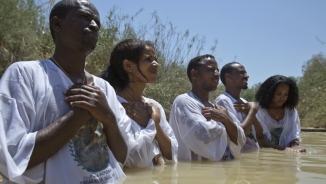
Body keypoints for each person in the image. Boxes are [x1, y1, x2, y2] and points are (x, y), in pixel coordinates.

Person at [0, 0, 130, 183]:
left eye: (97, 23)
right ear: (57, 24)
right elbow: (11, 158)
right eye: (84, 17)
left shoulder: (104, 88)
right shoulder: (25, 75)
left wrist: (108, 117)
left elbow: (121, 157)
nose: (93, 25)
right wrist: (80, 114)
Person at [100, 39, 178, 168]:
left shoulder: (153, 107)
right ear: (128, 66)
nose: (156, 64)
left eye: (155, 59)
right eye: (148, 59)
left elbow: (171, 157)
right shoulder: (115, 105)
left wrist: (153, 122)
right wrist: (153, 122)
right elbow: (134, 160)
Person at [169, 54, 246, 161]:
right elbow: (202, 136)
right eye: (211, 70)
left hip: (218, 173)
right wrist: (226, 122)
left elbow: (241, 138)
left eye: (217, 70)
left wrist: (225, 119)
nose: (217, 74)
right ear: (194, 74)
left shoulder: (216, 108)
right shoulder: (184, 101)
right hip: (193, 174)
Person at [215, 62, 265, 150]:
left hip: (252, 158)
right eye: (241, 73)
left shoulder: (244, 102)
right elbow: (238, 136)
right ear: (228, 77)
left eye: (245, 73)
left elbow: (260, 135)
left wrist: (251, 112)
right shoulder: (223, 101)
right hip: (238, 159)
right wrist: (252, 110)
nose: (246, 76)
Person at [255, 75, 306, 152]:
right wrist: (284, 149)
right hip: (265, 155)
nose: (283, 98)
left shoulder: (291, 111)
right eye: (278, 94)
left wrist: (294, 147)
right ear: (269, 93)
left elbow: (295, 134)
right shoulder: (258, 111)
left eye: (286, 94)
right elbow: (259, 140)